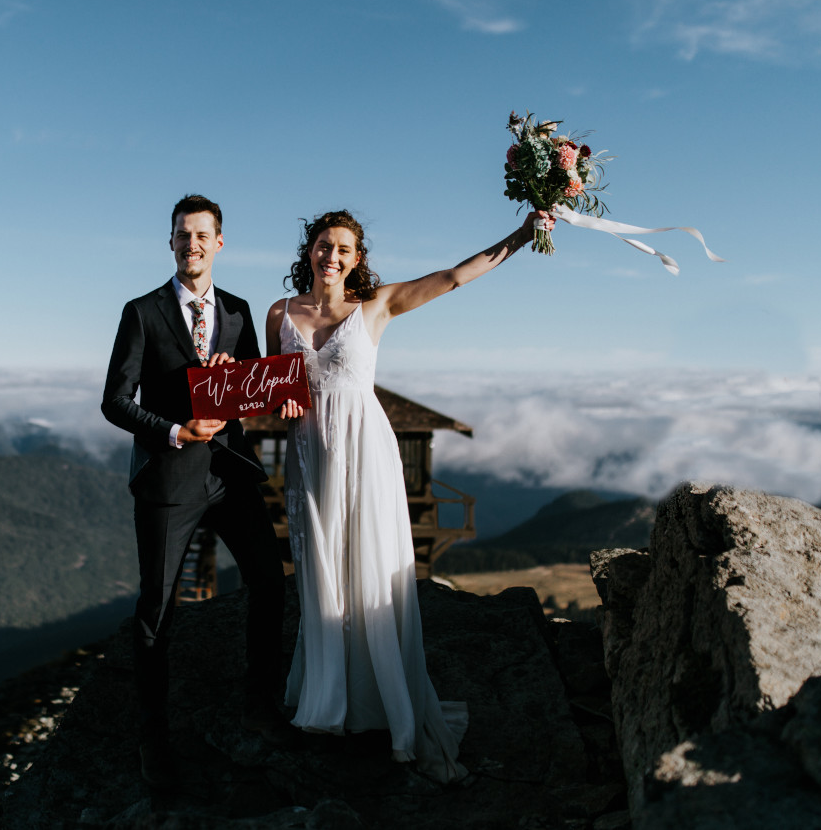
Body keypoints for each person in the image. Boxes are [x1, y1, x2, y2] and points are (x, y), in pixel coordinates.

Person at [265, 207, 554, 782]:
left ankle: (383, 703)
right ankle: (328, 699)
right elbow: (267, 388)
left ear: (356, 258)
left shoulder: (376, 306)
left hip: (366, 450)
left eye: (344, 249)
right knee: (322, 570)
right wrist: (274, 400)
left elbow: (453, 276)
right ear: (311, 249)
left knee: (368, 570)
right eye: (325, 245)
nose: (333, 256)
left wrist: (524, 235)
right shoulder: (279, 312)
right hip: (309, 455)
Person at [101, 194, 296, 790]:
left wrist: (275, 398)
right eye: (182, 235)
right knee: (157, 612)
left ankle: (259, 705)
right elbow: (115, 402)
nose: (192, 245)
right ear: (171, 243)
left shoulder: (237, 312)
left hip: (229, 473)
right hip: (169, 479)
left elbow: (254, 389)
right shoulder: (142, 312)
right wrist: (173, 430)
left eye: (202, 236)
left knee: (268, 583)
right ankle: (152, 739)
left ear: (219, 244)